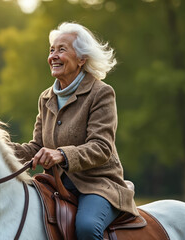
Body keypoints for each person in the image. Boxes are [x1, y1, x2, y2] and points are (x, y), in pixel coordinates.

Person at [10, 22, 139, 240]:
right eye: (52, 50)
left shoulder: (101, 93)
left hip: (98, 186)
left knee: (87, 228)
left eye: (62, 49)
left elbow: (102, 147)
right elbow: (38, 146)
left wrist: (61, 154)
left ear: (81, 59)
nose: (54, 56)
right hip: (56, 185)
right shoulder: (45, 97)